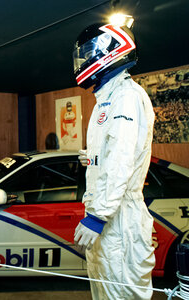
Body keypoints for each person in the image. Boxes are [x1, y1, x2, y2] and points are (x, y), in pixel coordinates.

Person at [72, 22, 155, 299]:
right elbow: (115, 152)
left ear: (113, 50)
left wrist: (97, 216)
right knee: (105, 292)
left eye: (88, 52)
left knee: (120, 294)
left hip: (119, 220)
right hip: (109, 216)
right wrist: (93, 158)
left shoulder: (126, 96)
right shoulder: (107, 99)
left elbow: (121, 160)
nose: (83, 59)